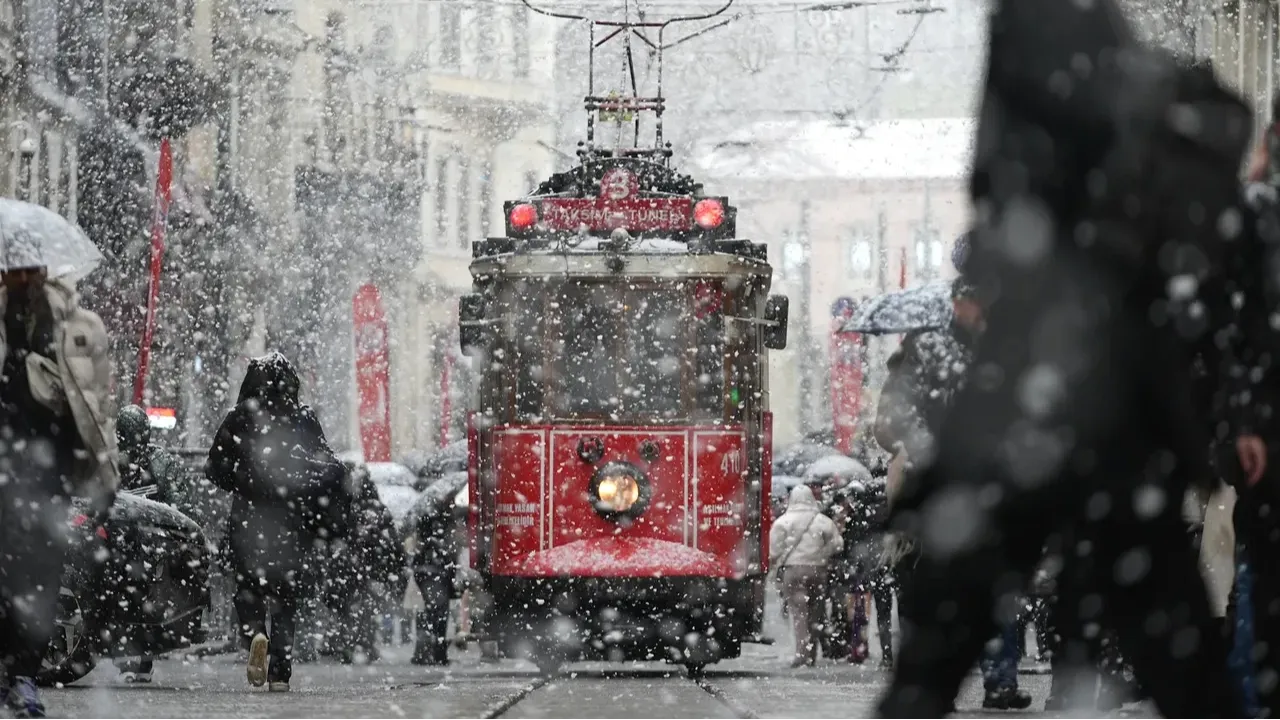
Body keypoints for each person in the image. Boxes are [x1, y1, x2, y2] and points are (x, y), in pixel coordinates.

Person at [877, 5, 1256, 718]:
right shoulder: (1154, 128)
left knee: (939, 650)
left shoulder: (1038, 144)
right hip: (1118, 425)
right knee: (1175, 646)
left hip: (1026, 419)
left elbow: (999, 218)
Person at [0, 261, 117, 720]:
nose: (22, 275)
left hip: (54, 471)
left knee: (41, 576)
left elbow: (100, 407)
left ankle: (23, 673)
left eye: (30, 268)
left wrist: (106, 475)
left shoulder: (79, 327)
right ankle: (14, 670)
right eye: (14, 268)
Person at [206, 352, 352, 692]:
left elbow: (214, 468)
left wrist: (239, 481)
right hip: (290, 522)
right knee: (286, 599)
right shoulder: (303, 419)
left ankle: (256, 634)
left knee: (247, 591)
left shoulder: (238, 418)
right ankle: (280, 673)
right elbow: (326, 465)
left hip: (247, 521)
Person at [113, 403, 189, 683]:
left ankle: (136, 659)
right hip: (135, 546)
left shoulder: (156, 462)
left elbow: (179, 507)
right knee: (135, 600)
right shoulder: (157, 462)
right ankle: (136, 660)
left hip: (144, 546)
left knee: (135, 599)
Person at [769, 484, 843, 667]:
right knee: (815, 613)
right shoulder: (823, 521)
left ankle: (801, 654)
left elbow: (773, 550)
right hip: (818, 570)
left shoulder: (783, 522)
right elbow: (838, 544)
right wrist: (822, 553)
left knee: (798, 612)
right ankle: (811, 655)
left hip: (792, 571)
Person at [411, 483, 460, 666]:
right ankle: (436, 652)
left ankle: (426, 651)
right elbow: (447, 550)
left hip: (428, 571)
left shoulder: (427, 518)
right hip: (436, 571)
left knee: (430, 612)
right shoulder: (444, 521)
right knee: (438, 612)